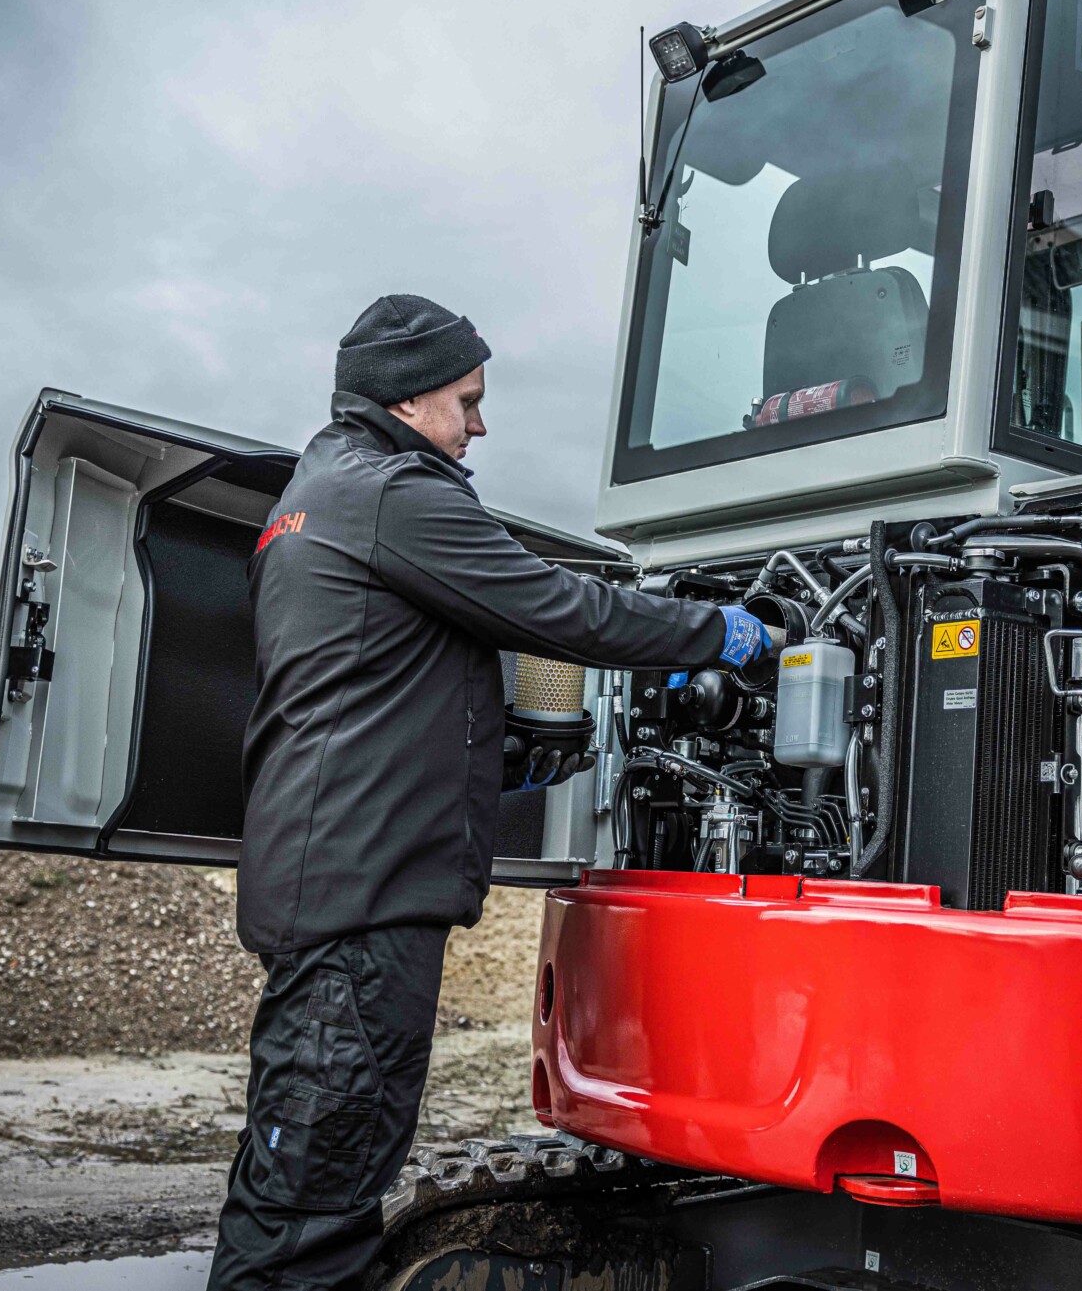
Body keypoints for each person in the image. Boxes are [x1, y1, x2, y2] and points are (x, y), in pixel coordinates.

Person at [209, 294, 768, 1289]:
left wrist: (499, 762)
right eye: (467, 400)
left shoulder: (320, 488)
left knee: (311, 1170)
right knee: (310, 1202)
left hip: (340, 884)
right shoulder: (396, 494)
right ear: (410, 396)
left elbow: (366, 690)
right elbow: (560, 609)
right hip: (361, 904)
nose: (480, 422)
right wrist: (710, 631)